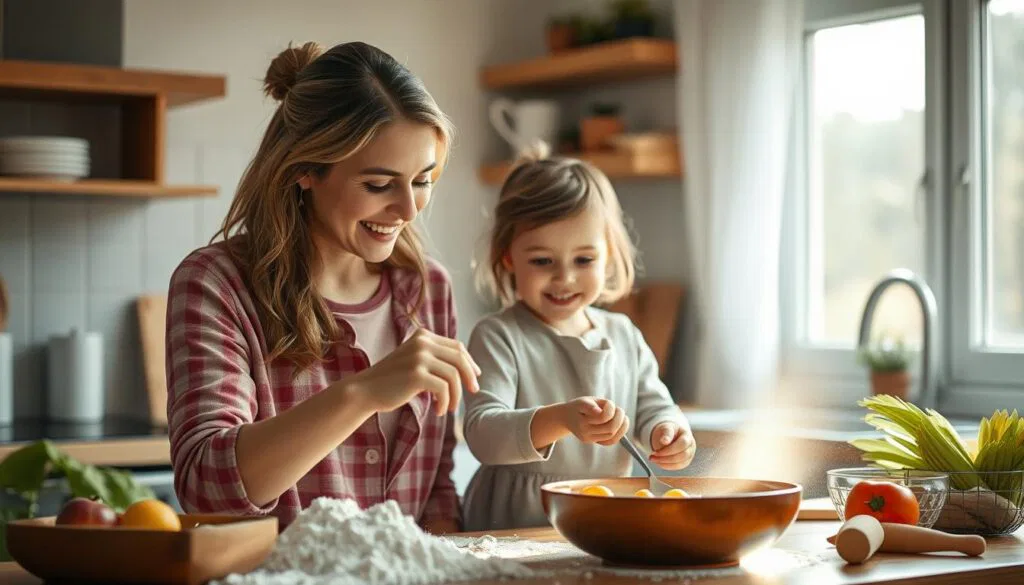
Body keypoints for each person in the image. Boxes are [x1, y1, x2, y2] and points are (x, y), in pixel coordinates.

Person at [164, 40, 479, 534]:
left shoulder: (427, 287)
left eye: (423, 179)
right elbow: (206, 487)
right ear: (305, 170)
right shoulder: (217, 284)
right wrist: (362, 393)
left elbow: (438, 488)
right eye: (378, 185)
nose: (409, 210)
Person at [460, 144, 696, 531]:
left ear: (608, 256)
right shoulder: (499, 335)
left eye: (583, 260)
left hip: (605, 517)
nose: (564, 278)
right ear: (508, 258)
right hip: (515, 523)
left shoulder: (623, 334)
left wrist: (669, 432)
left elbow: (655, 405)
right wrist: (561, 419)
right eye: (542, 261)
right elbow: (484, 435)